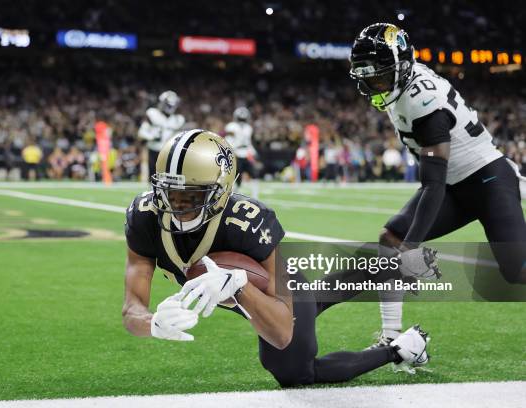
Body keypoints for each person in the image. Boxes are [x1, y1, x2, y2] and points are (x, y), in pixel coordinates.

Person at [121, 129, 430, 387]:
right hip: (257, 297)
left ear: (221, 191)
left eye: (191, 196)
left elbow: (281, 332)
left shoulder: (249, 223)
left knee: (296, 373)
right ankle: (381, 264)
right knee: (312, 301)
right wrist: (152, 324)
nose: (176, 206)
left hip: (278, 290)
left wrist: (240, 286)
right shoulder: (144, 217)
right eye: (169, 193)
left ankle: (402, 349)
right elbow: (131, 309)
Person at [349, 23, 526, 347]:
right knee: (391, 238)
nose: (375, 85)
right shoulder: (399, 85)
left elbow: (433, 184)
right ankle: (390, 337)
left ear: (400, 67)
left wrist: (411, 250)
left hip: (486, 178)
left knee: (516, 270)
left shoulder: (422, 98)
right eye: (367, 76)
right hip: (455, 183)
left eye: (379, 75)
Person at [137, 90, 185, 180]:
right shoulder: (152, 113)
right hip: (153, 149)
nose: (170, 107)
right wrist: (152, 137)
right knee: (153, 177)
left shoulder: (178, 119)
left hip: (169, 151)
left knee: (169, 178)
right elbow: (141, 132)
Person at [225, 107, 260, 198]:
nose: (242, 120)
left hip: (246, 154)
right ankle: (233, 195)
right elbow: (228, 140)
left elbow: (248, 142)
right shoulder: (231, 126)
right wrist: (232, 152)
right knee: (236, 177)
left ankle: (255, 197)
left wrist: (253, 152)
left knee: (254, 174)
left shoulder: (248, 128)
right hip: (236, 153)